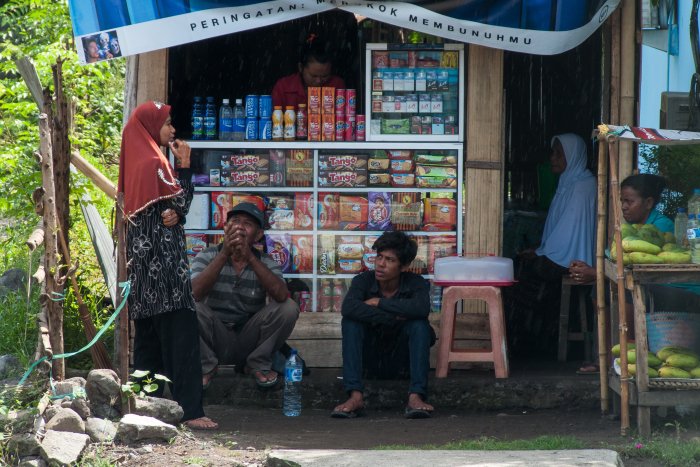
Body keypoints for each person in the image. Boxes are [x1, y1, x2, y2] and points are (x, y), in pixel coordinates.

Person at [118, 100, 217, 430]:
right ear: (150, 126)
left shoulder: (135, 159)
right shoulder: (153, 161)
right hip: (167, 273)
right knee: (182, 341)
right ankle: (191, 412)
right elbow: (180, 202)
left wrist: (175, 214)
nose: (173, 129)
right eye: (167, 123)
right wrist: (186, 166)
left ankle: (145, 410)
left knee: (148, 345)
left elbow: (170, 210)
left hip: (145, 273)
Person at [569, 173, 672, 373]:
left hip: (663, 290)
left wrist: (594, 273)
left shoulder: (661, 226)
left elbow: (637, 264)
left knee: (626, 292)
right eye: (622, 201)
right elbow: (612, 260)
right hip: (636, 284)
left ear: (649, 202)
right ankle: (606, 359)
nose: (624, 206)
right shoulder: (628, 229)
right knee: (600, 291)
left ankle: (629, 356)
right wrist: (591, 270)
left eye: (629, 201)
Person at [191, 202, 299, 389]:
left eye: (247, 224)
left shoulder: (265, 261)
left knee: (289, 307)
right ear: (225, 229)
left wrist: (249, 257)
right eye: (235, 222)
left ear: (258, 235)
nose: (239, 227)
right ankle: (207, 366)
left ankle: (257, 364)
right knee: (190, 305)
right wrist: (225, 253)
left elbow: (282, 296)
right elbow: (194, 293)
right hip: (216, 336)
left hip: (248, 337)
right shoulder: (207, 255)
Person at [506, 133, 597, 356]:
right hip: (564, 253)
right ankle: (534, 337)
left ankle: (534, 340)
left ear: (573, 156)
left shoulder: (583, 186)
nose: (552, 158)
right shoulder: (569, 182)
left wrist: (541, 253)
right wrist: (539, 249)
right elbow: (560, 229)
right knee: (521, 265)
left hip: (577, 259)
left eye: (558, 153)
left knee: (528, 274)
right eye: (553, 153)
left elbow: (570, 233)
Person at [331, 231, 435, 419]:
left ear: (404, 266)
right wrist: (394, 317)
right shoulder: (363, 281)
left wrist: (379, 303)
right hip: (370, 361)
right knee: (351, 323)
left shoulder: (415, 283)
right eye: (379, 256)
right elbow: (349, 308)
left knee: (419, 325)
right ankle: (355, 396)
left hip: (402, 363)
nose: (380, 264)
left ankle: (416, 396)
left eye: (389, 260)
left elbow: (421, 309)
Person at [271, 33, 345, 109]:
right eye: (314, 76)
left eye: (325, 76)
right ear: (301, 67)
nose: (319, 81)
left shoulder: (337, 85)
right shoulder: (283, 87)